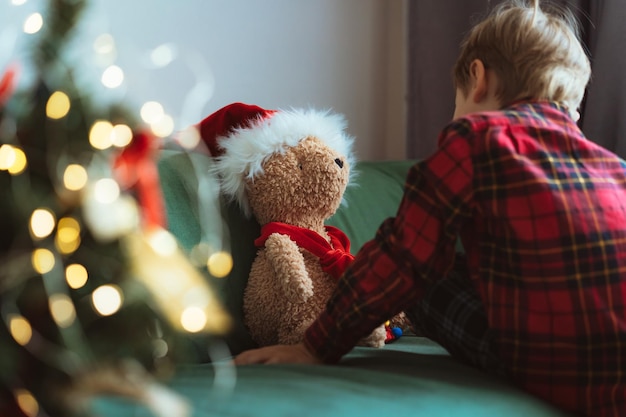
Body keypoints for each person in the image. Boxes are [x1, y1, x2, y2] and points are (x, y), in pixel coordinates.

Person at [235, 0, 626, 415]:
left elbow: (403, 257)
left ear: (476, 78)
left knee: (431, 279)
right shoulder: (614, 169)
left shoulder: (475, 139)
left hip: (561, 371)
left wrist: (316, 347)